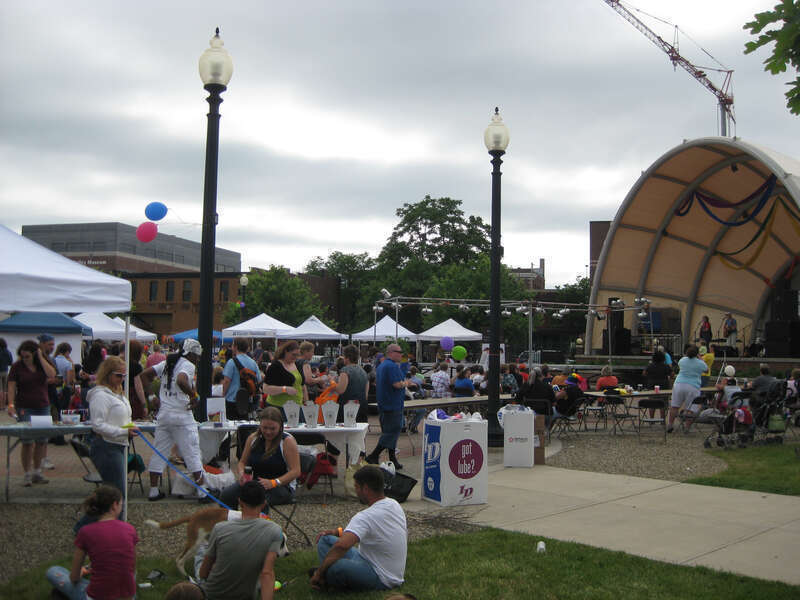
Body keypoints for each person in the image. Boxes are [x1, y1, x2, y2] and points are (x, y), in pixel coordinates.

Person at [311, 466, 406, 592]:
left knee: (337, 567)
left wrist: (319, 572)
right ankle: (326, 575)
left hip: (380, 576)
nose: (355, 491)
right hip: (371, 561)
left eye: (356, 487)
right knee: (325, 539)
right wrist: (336, 532)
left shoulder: (365, 516)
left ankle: (322, 576)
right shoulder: (394, 504)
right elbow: (365, 531)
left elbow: (342, 546)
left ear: (365, 489)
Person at [191, 480, 284, 600]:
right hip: (246, 595)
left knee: (203, 547)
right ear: (264, 504)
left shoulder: (220, 528)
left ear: (240, 502)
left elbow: (204, 573)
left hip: (212, 594)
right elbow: (267, 573)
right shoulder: (275, 530)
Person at [140, 338, 206, 501]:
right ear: (191, 354)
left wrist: (151, 396)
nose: (198, 360)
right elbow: (181, 380)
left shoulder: (167, 363)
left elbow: (144, 375)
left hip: (164, 415)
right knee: (191, 451)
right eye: (197, 356)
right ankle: (202, 491)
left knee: (159, 451)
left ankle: (153, 491)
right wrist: (194, 395)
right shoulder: (188, 365)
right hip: (181, 415)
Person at [46, 485, 138, 600]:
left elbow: (74, 578)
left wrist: (79, 573)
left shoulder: (85, 532)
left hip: (96, 595)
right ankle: (89, 570)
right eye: (121, 504)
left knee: (53, 571)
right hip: (128, 595)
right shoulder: (130, 529)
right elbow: (132, 568)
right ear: (115, 505)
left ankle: (85, 573)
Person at [220, 407, 301, 510]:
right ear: (260, 425)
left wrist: (273, 482)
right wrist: (242, 474)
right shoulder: (253, 438)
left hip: (281, 486)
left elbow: (296, 471)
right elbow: (242, 462)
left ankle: (257, 520)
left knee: (257, 500)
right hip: (255, 484)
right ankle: (233, 519)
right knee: (226, 495)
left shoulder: (287, 441)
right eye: (265, 428)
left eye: (272, 429)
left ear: (280, 427)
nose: (268, 432)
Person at [87, 356, 140, 500]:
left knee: (114, 493)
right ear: (107, 374)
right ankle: (111, 514)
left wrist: (130, 426)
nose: (122, 379)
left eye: (124, 376)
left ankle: (110, 513)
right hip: (106, 446)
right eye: (118, 375)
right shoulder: (100, 395)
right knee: (116, 493)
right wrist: (123, 431)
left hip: (120, 444)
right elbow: (97, 425)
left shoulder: (118, 392)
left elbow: (123, 417)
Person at [7, 339, 57, 485]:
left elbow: (52, 374)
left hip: (42, 406)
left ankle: (37, 472)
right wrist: (11, 404)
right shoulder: (17, 367)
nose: (25, 359)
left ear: (34, 354)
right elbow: (11, 386)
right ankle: (27, 473)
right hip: (24, 406)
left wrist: (40, 357)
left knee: (41, 441)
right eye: (22, 356)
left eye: (27, 356)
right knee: (27, 442)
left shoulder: (42, 364)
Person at [365, 344, 407, 470]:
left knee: (390, 432)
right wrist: (407, 383)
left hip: (384, 403)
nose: (401, 354)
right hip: (393, 404)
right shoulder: (391, 366)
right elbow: (397, 384)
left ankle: (392, 459)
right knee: (392, 431)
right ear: (390, 352)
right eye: (399, 352)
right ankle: (373, 455)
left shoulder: (382, 365)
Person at [667, 344, 707, 433]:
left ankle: (670, 424)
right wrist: (700, 358)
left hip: (679, 384)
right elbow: (706, 369)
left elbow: (680, 365)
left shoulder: (682, 360)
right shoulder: (700, 363)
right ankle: (687, 427)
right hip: (693, 385)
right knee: (691, 408)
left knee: (675, 406)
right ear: (697, 353)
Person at [264, 340, 307, 419]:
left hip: (297, 406)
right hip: (278, 408)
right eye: (293, 354)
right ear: (285, 352)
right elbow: (266, 389)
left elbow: (302, 385)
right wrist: (285, 389)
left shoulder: (297, 364)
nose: (295, 357)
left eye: (297, 355)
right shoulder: (275, 366)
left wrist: (306, 401)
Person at [223, 338, 263, 420]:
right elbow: (259, 380)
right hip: (248, 400)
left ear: (236, 347)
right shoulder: (253, 363)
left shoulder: (231, 362)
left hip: (232, 399)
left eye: (232, 345)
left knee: (231, 424)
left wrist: (223, 394)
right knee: (245, 425)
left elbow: (226, 381)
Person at [335, 344, 369, 422]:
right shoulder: (363, 371)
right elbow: (366, 395)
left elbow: (340, 390)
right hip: (361, 408)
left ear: (347, 357)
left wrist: (332, 383)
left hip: (347, 409)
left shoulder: (345, 370)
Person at [126, 340, 148, 420]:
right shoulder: (136, 367)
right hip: (133, 397)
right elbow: (138, 387)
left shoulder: (121, 363)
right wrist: (144, 404)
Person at [0, 337, 12, 410]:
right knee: (4, 390)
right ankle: (4, 406)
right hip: (5, 371)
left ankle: (0, 405)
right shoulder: (8, 352)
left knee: (0, 390)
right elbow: (10, 362)